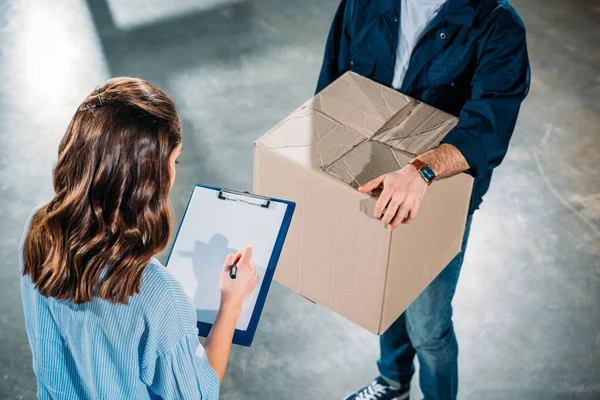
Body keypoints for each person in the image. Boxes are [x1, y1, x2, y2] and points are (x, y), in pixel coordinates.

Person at [316, 0, 530, 399]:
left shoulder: (497, 24)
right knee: (386, 294)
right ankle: (393, 383)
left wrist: (422, 170)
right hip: (371, 178)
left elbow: (488, 128)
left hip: (436, 195)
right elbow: (334, 81)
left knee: (428, 326)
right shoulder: (363, 3)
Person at [19, 77, 259, 399]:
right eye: (174, 161)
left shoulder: (37, 231)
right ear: (149, 179)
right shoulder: (158, 295)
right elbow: (198, 394)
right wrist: (231, 302)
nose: (174, 173)